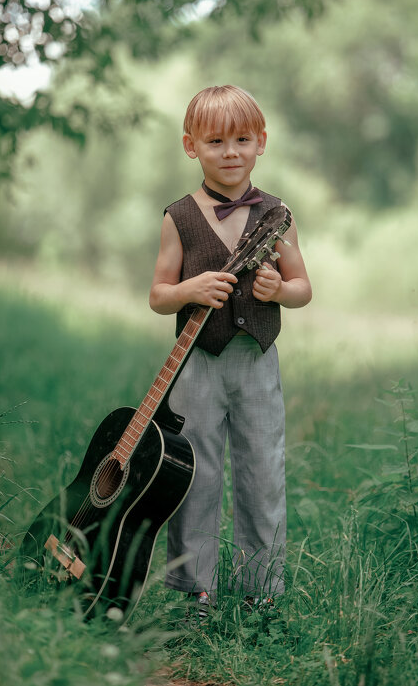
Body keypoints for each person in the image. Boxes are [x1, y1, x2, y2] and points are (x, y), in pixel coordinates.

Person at [149, 85, 312, 617]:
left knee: (262, 470)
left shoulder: (277, 214)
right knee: (195, 471)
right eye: (215, 140)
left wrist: (278, 291)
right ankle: (193, 589)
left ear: (261, 142)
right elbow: (158, 295)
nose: (230, 151)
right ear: (190, 146)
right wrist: (189, 291)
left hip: (256, 360)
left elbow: (303, 287)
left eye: (242, 138)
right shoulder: (179, 215)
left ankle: (259, 589)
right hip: (197, 362)